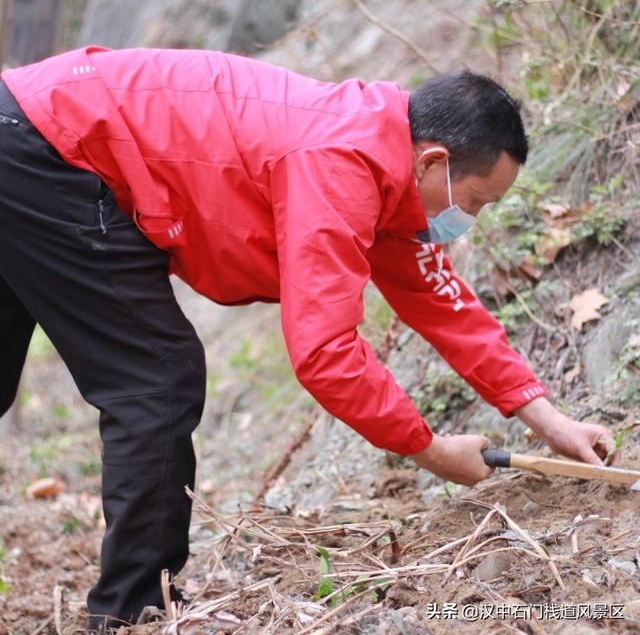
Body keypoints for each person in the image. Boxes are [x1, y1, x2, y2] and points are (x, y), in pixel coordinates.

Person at [0, 47, 616, 631]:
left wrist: (546, 419)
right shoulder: (340, 164)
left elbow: (442, 302)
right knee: (155, 380)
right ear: (432, 162)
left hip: (28, 128)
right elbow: (324, 353)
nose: (469, 219)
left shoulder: (388, 160)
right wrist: (427, 448)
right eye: (475, 202)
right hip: (50, 147)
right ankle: (131, 614)